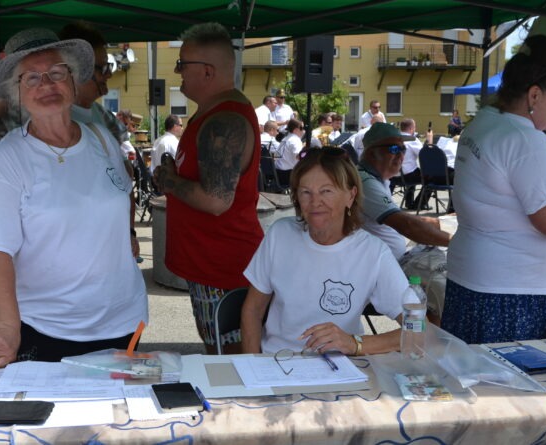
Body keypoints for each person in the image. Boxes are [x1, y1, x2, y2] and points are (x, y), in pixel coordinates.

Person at [0, 30, 147, 366]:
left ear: (72, 80)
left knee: (121, 400)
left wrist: (128, 232)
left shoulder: (101, 138)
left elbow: (124, 191)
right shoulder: (9, 157)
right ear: (17, 93)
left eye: (56, 73)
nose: (46, 84)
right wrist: (8, 330)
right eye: (32, 78)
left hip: (125, 319)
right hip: (49, 328)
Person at [443, 35, 546, 345]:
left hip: (481, 279)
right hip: (511, 291)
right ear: (534, 94)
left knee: (475, 367)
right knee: (505, 373)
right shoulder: (523, 139)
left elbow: (506, 183)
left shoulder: (487, 122)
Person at [153, 22, 263, 355]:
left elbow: (216, 200)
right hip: (213, 266)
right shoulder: (212, 114)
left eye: (182, 64)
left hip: (223, 270)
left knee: (230, 359)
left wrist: (170, 182)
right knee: (220, 353)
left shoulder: (224, 120)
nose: (177, 72)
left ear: (207, 71)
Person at [241, 147, 416, 354]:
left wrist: (354, 344)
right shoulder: (280, 234)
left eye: (326, 191)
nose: (315, 202)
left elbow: (418, 327)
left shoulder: (373, 252)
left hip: (340, 366)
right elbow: (253, 310)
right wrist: (252, 364)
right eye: (306, 192)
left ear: (351, 196)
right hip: (277, 361)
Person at [357, 122, 451, 261]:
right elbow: (407, 225)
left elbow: (406, 218)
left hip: (389, 260)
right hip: (379, 266)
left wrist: (446, 222)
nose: (401, 155)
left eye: (403, 149)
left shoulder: (377, 179)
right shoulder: (365, 182)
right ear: (372, 153)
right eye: (394, 149)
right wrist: (455, 241)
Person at [389, 118, 429, 210]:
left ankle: (409, 201)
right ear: (411, 128)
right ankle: (419, 204)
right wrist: (428, 141)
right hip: (407, 176)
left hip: (392, 176)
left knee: (413, 169)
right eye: (414, 127)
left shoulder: (392, 139)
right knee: (430, 178)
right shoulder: (412, 140)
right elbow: (424, 155)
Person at [275, 118, 305, 187]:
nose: (303, 130)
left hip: (279, 172)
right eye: (302, 128)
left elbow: (276, 156)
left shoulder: (285, 139)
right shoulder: (295, 140)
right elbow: (298, 156)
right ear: (295, 130)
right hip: (288, 174)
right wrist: (308, 153)